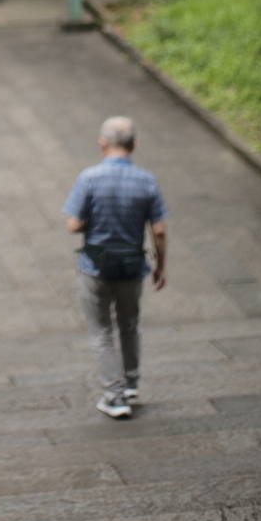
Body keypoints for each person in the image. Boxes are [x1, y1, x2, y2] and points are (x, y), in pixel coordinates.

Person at [62, 116, 168, 420]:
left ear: (102, 144)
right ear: (134, 145)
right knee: (130, 323)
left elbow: (74, 224)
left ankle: (114, 396)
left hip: (96, 266)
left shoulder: (89, 178)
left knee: (101, 332)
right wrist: (160, 266)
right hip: (133, 266)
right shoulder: (147, 180)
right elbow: (159, 230)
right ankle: (131, 383)